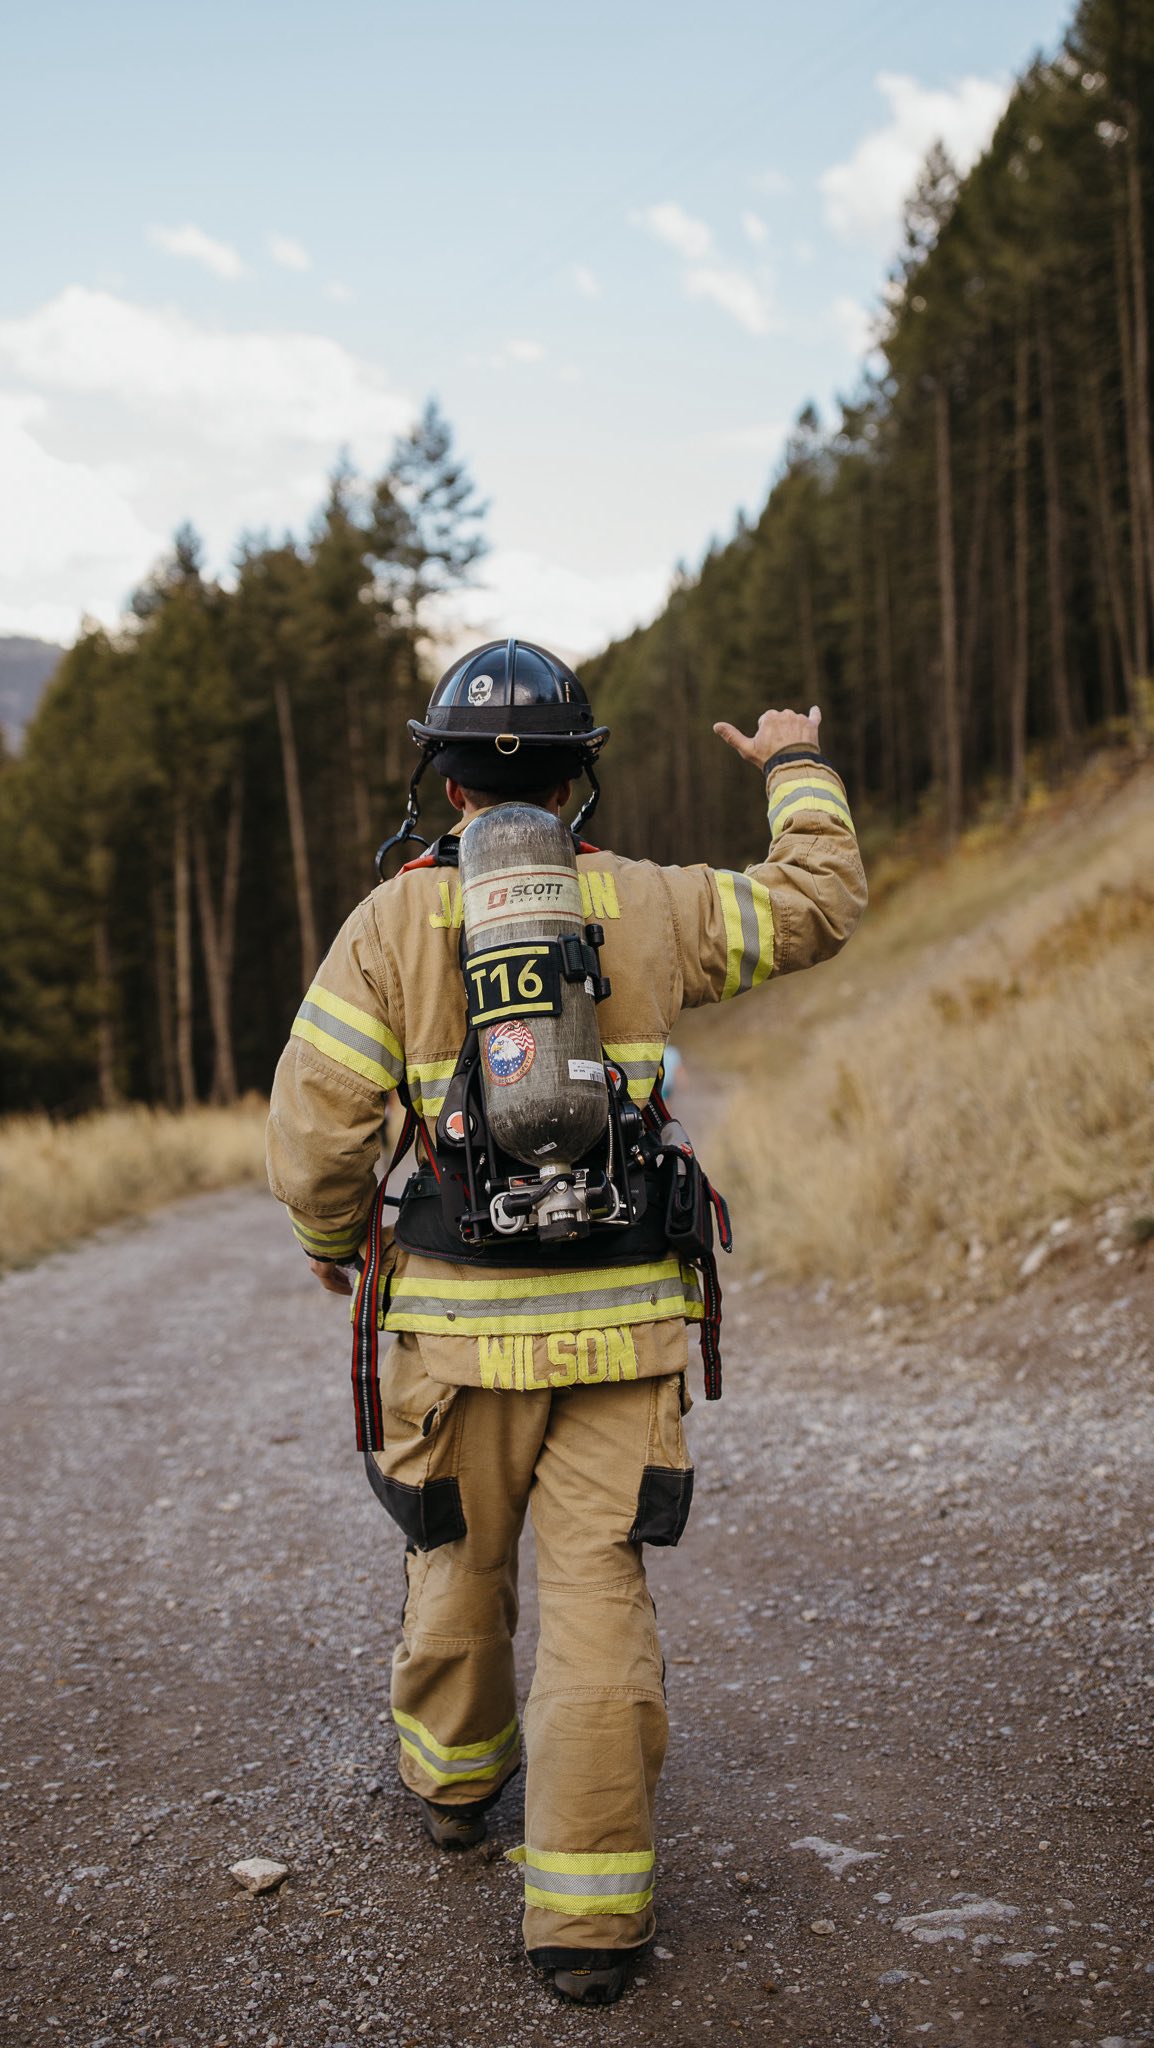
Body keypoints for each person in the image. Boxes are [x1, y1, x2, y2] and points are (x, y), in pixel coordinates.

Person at [266, 638, 866, 2005]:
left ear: (445, 779)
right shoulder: (649, 906)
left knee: (453, 1558)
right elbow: (819, 903)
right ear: (580, 775)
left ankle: (456, 1787)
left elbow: (317, 1137)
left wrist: (327, 1241)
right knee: (597, 1594)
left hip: (454, 1326)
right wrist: (792, 764)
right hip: (624, 1327)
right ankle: (587, 1929)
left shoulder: (390, 926)